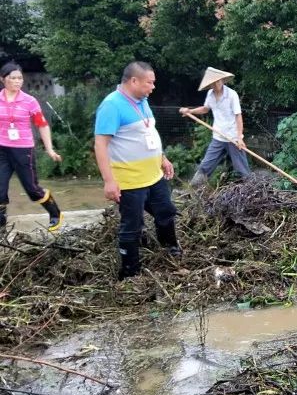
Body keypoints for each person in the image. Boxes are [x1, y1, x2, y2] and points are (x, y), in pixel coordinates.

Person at [94, 61, 180, 280]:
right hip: (130, 181)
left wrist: (162, 157)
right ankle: (130, 273)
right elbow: (100, 144)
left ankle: (171, 250)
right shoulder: (112, 106)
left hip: (153, 176)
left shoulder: (142, 101)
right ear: (133, 81)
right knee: (132, 226)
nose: (153, 87)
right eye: (149, 83)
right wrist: (109, 181)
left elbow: (147, 132)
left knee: (166, 212)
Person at [0, 62, 63, 231]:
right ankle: (1, 227)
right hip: (2, 150)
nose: (17, 81)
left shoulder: (29, 101)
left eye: (19, 78)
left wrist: (49, 149)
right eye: (13, 78)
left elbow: (42, 125)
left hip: (23, 150)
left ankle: (55, 213)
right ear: (3, 79)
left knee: (33, 190)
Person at [179, 67, 250, 187]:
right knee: (206, 165)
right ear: (210, 84)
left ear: (222, 80)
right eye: (213, 82)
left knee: (241, 169)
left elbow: (238, 116)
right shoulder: (210, 95)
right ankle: (192, 190)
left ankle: (252, 190)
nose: (216, 84)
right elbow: (205, 108)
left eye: (218, 81)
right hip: (218, 136)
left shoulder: (232, 95)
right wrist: (190, 111)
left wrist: (239, 137)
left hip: (233, 138)